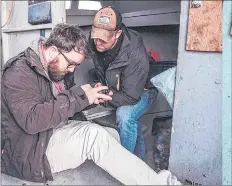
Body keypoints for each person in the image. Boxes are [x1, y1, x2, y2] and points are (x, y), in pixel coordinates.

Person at [1, 23, 181, 185]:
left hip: (48, 133)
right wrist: (80, 97)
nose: (72, 70)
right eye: (71, 64)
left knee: (111, 134)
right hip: (28, 152)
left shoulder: (55, 68)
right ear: (53, 51)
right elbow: (32, 120)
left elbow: (62, 106)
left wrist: (89, 99)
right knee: (93, 136)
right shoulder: (18, 72)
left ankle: (138, 178)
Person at [89, 6, 156, 159]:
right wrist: (100, 85)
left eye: (103, 38)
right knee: (134, 124)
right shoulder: (95, 41)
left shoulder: (134, 55)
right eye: (95, 36)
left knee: (125, 116)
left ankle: (124, 165)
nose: (98, 42)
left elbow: (131, 97)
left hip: (144, 90)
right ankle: (139, 162)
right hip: (120, 87)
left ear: (118, 33)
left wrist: (104, 98)